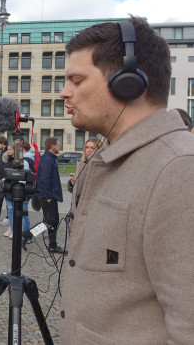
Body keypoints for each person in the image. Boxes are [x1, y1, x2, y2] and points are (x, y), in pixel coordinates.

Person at [58, 17, 194, 343]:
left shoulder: (178, 168)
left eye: (77, 80)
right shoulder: (110, 156)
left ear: (127, 82)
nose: (64, 92)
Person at [36, 136, 66, 254]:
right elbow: (45, 179)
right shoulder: (48, 159)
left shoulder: (50, 158)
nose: (59, 147)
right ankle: (28, 235)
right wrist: (48, 196)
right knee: (50, 221)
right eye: (58, 145)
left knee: (53, 221)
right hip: (48, 196)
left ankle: (53, 246)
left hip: (51, 195)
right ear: (52, 146)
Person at [3, 143, 33, 239]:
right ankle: (15, 231)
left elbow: (24, 176)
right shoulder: (15, 160)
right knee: (13, 211)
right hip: (15, 190)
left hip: (22, 191)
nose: (9, 151)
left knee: (23, 213)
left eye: (10, 149)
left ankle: (25, 236)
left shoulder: (24, 161)